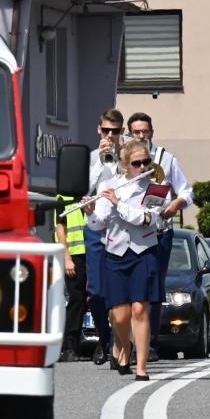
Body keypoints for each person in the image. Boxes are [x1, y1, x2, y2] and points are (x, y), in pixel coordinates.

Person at [84, 138, 167, 380]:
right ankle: (121, 345)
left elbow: (145, 219)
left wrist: (118, 204)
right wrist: (91, 212)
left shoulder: (156, 189)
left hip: (144, 253)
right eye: (137, 163)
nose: (143, 167)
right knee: (120, 316)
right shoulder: (109, 187)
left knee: (140, 309)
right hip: (116, 254)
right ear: (125, 165)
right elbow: (98, 224)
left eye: (146, 162)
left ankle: (141, 367)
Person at [126, 111, 194, 354]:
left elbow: (186, 191)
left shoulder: (166, 159)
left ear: (152, 132)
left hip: (159, 233)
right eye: (137, 132)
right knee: (124, 290)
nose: (142, 136)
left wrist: (176, 204)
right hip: (125, 234)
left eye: (145, 131)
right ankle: (120, 343)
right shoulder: (121, 159)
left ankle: (148, 345)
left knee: (152, 289)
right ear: (129, 133)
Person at [86, 109, 125, 366]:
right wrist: (101, 162)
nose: (110, 136)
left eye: (115, 131)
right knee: (98, 294)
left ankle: (118, 345)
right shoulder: (91, 159)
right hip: (96, 229)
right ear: (99, 130)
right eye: (106, 131)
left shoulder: (130, 158)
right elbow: (84, 188)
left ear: (122, 132)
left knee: (121, 295)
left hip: (121, 230)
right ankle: (103, 337)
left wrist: (119, 163)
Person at [54, 186, 89, 362]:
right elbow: (60, 228)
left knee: (85, 300)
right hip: (73, 255)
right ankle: (68, 346)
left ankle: (78, 343)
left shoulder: (86, 195)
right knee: (76, 300)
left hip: (89, 253)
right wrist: (67, 257)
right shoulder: (62, 198)